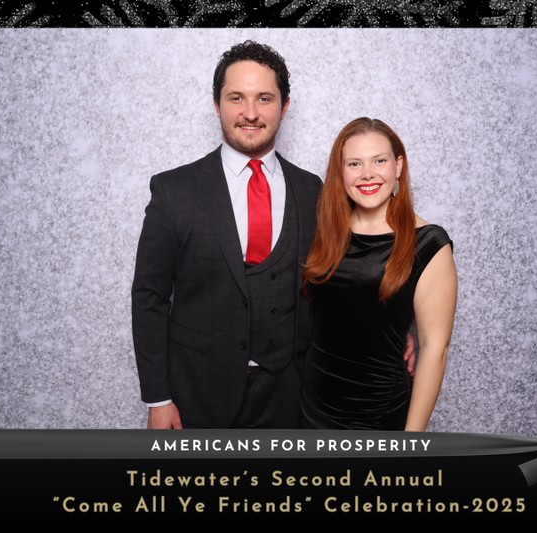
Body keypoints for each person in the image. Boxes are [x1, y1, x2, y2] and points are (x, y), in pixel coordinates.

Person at [131, 40, 322, 429]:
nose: (250, 113)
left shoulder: (311, 189)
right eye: (237, 98)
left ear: (284, 107)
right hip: (196, 397)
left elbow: (336, 278)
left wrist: (392, 323)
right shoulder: (174, 190)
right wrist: (158, 398)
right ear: (217, 105)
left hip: (290, 397)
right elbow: (149, 297)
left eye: (264, 98)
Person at [301, 117, 458, 431]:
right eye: (355, 163)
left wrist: (410, 442)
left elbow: (433, 350)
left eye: (379, 161)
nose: (367, 174)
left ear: (398, 166)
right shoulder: (324, 231)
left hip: (378, 415)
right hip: (310, 408)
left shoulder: (428, 244)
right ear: (340, 172)